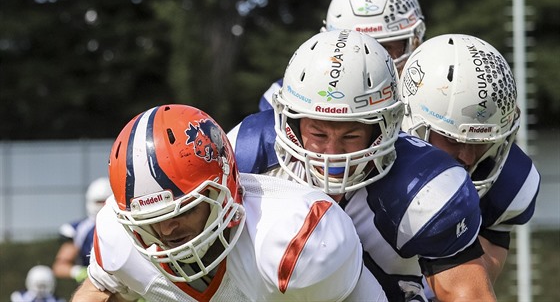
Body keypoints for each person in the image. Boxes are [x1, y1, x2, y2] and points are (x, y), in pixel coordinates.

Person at [228, 29, 496, 301]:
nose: (332, 153)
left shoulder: (424, 189)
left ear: (384, 126)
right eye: (319, 134)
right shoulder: (249, 151)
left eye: (351, 135)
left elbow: (470, 295)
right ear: (291, 124)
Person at [71, 104, 387, 301]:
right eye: (150, 220)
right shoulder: (118, 235)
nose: (166, 230)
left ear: (225, 189)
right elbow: (101, 290)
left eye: (184, 210)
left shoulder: (295, 240)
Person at [399, 33, 541, 286]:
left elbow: (468, 288)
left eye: (480, 143)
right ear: (409, 122)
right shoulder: (364, 156)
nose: (467, 157)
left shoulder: (511, 183)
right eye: (453, 140)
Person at [258, 0, 425, 111]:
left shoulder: (434, 96)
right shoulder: (287, 96)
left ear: (415, 42)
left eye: (385, 47)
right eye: (356, 48)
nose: (372, 60)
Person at [52, 177, 111, 283]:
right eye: (99, 201)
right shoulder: (79, 229)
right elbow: (60, 266)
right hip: (93, 285)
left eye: (106, 201)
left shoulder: (127, 223)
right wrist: (79, 272)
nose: (102, 205)